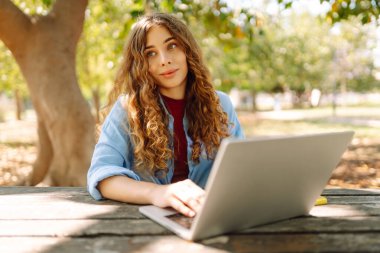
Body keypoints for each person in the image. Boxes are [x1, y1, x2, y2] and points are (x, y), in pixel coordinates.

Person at [87, 13, 244, 218]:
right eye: (150, 53)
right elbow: (101, 175)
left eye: (171, 46)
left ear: (187, 49)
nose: (164, 60)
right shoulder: (128, 108)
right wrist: (159, 193)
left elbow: (241, 166)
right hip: (145, 221)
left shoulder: (220, 104)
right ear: (140, 64)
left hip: (210, 216)